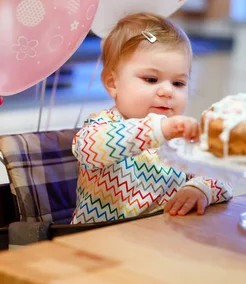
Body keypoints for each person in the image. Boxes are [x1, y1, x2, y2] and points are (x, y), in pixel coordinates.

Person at [71, 13, 233, 224]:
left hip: (163, 239)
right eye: (151, 79)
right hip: (99, 243)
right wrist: (157, 131)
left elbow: (224, 176)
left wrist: (200, 188)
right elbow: (87, 150)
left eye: (178, 83)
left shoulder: (181, 136)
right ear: (113, 83)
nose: (167, 91)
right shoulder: (103, 126)